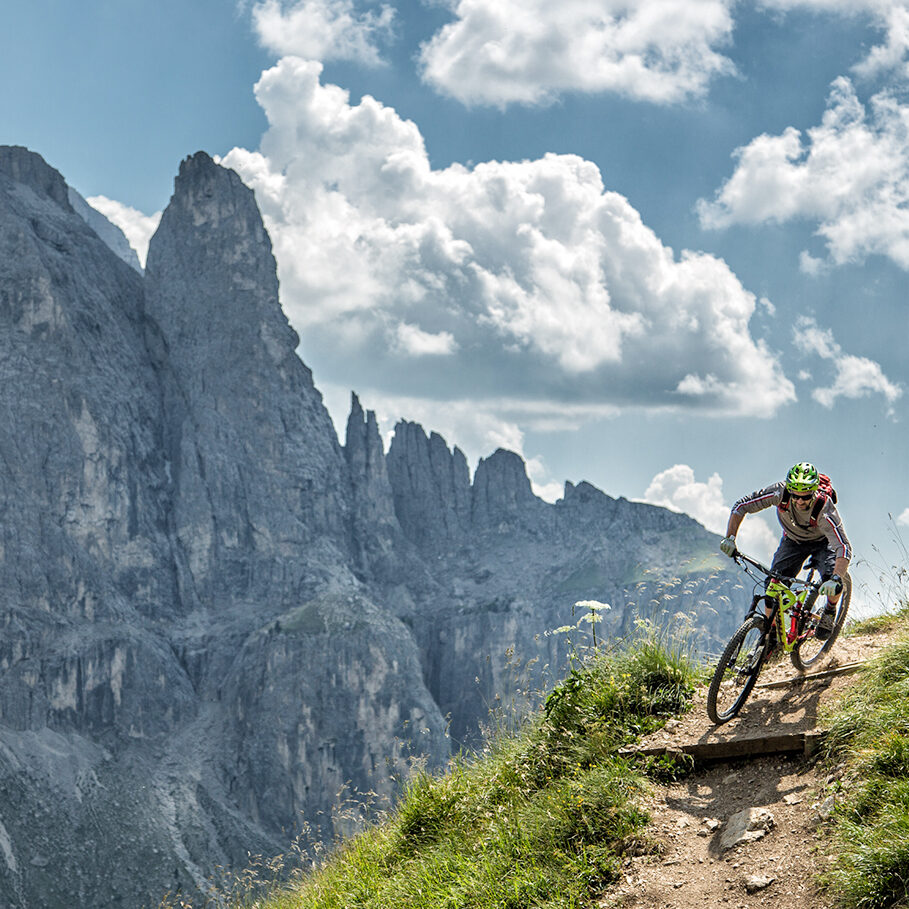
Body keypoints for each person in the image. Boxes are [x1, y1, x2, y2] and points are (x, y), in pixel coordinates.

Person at [720, 462, 851, 641]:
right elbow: (740, 506)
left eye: (804, 497)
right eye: (795, 496)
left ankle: (829, 610)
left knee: (831, 579)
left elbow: (843, 546)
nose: (799, 501)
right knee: (773, 586)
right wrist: (730, 538)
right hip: (793, 541)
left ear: (813, 492)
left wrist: (836, 578)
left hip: (823, 542)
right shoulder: (779, 493)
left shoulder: (824, 507)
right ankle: (769, 636)